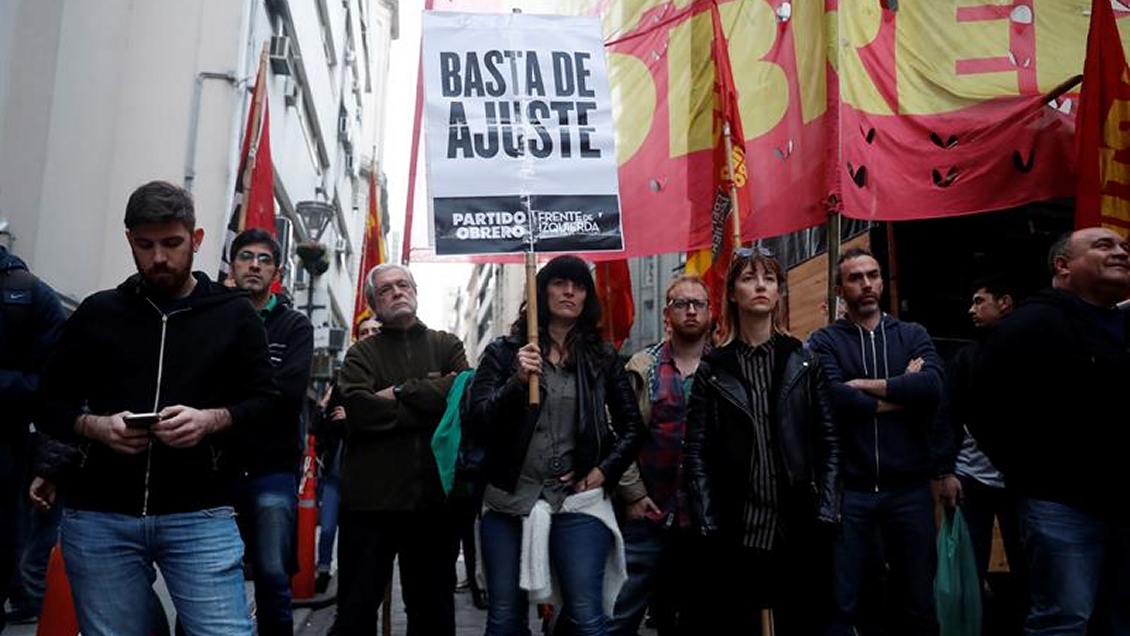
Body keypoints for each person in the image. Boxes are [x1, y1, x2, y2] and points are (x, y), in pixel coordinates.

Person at [36, 180, 277, 636]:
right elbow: (49, 403)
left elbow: (266, 404)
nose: (159, 258)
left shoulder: (234, 315)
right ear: (129, 240)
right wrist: (97, 427)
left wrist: (210, 420)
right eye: (145, 245)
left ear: (197, 239)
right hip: (100, 515)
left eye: (172, 243)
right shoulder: (97, 313)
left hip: (200, 511)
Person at [468, 254, 648, 636]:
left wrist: (602, 471)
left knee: (586, 617)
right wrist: (517, 381)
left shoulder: (601, 357)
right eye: (559, 282)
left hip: (577, 501)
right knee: (504, 620)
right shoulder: (503, 353)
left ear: (587, 297)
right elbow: (479, 421)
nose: (569, 291)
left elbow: (633, 428)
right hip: (508, 502)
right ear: (541, 290)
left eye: (579, 285)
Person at [972, 228, 1130, 635]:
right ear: (1063, 266)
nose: (1120, 252)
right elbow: (985, 408)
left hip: (1123, 506)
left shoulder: (1123, 326)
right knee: (1065, 620)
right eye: (1104, 246)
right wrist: (1033, 477)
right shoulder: (1029, 326)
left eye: (1123, 247)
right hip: (1062, 508)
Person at [681, 251, 840, 635]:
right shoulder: (714, 369)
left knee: (801, 621)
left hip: (798, 524)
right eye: (750, 278)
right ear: (733, 293)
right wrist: (707, 518)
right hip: (738, 527)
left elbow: (828, 442)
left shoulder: (803, 361)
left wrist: (827, 509)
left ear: (779, 292)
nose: (760, 286)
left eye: (769, 279)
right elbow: (697, 452)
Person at [807, 247, 948, 636]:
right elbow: (834, 396)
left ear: (883, 281)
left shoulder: (911, 334)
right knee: (843, 601)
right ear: (840, 288)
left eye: (872, 275)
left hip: (909, 489)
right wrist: (902, 395)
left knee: (918, 600)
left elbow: (933, 386)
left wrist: (868, 387)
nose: (866, 284)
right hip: (850, 491)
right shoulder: (825, 341)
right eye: (855, 278)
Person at [334, 263, 469, 636]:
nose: (396, 292)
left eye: (402, 284)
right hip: (370, 507)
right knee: (355, 615)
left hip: (433, 506)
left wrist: (398, 392)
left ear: (415, 289)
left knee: (433, 616)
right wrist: (430, 401)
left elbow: (462, 396)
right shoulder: (361, 354)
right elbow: (359, 412)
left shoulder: (447, 344)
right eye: (385, 289)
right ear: (374, 304)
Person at [607, 275, 713, 636]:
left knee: (692, 618)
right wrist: (633, 494)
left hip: (704, 519)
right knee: (620, 614)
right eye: (682, 304)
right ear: (668, 313)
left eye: (698, 303)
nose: (691, 311)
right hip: (649, 515)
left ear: (710, 312)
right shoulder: (643, 365)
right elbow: (619, 432)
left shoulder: (725, 367)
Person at [228, 228, 314, 636]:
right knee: (208, 570)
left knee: (273, 573)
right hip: (216, 468)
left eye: (264, 259)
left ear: (276, 271)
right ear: (233, 265)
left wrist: (226, 405)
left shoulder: (294, 326)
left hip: (272, 467)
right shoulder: (212, 316)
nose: (255, 265)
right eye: (246, 257)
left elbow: (289, 390)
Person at [936, 274, 1027, 633]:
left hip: (1020, 480)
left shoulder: (1028, 351)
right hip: (970, 479)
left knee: (1027, 567)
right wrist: (947, 470)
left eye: (979, 301)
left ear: (1004, 303)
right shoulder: (966, 358)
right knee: (969, 568)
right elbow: (947, 416)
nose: (971, 309)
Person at [0, 235, 65, 632]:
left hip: (15, 445)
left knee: (23, 535)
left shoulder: (29, 295)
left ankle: (25, 595)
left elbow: (53, 387)